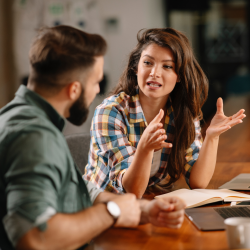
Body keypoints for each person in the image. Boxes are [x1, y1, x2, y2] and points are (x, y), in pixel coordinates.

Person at [0, 25, 186, 250]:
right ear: (74, 90)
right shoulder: (34, 138)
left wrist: (140, 210)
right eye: (96, 82)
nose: (98, 90)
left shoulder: (23, 117)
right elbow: (35, 237)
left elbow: (76, 189)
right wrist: (113, 212)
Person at [84, 28, 246, 198]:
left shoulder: (182, 113)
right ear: (135, 68)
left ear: (179, 76)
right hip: (102, 206)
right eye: (148, 63)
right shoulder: (110, 112)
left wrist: (212, 137)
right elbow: (132, 190)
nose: (155, 73)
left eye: (167, 66)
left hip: (148, 202)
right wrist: (145, 149)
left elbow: (198, 182)